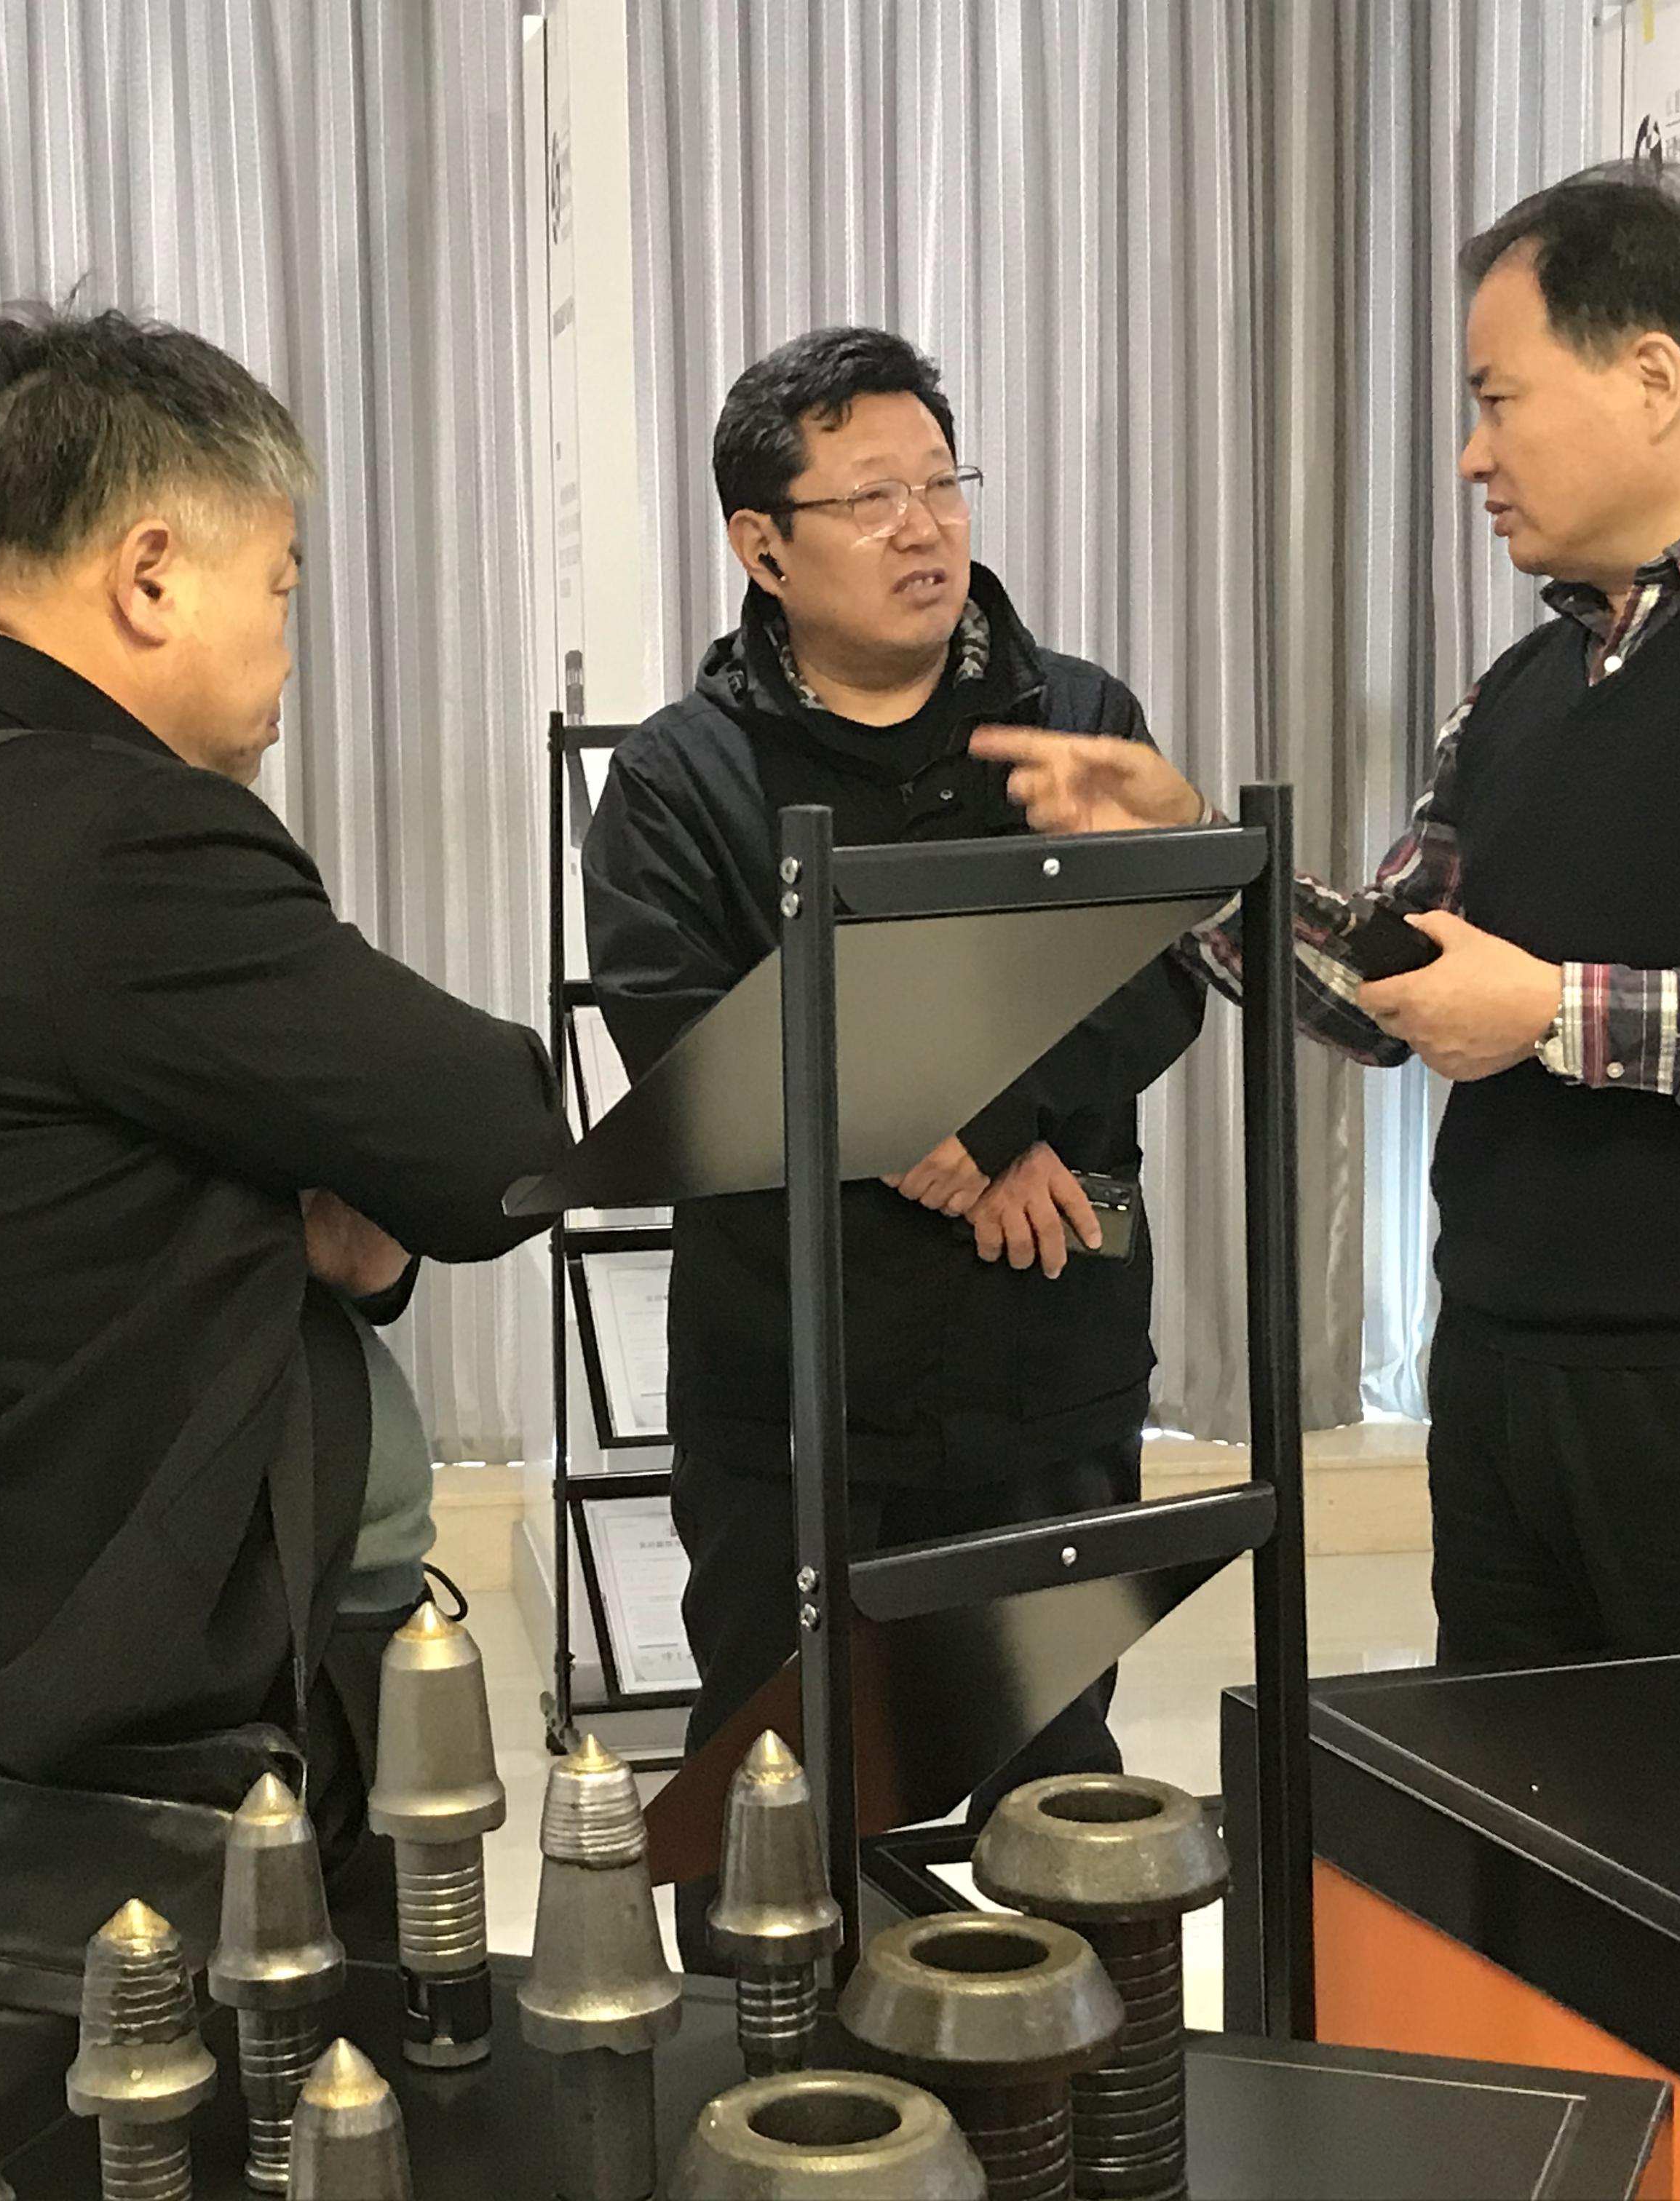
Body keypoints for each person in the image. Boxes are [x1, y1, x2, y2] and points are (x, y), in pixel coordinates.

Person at [977, 162, 1680, 1665]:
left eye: (1498, 399)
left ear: (1652, 377)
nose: (1474, 455)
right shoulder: (1527, 685)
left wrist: (1551, 1010)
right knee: (1506, 1803)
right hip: (1502, 1387)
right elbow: (1395, 982)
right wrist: (1195, 859)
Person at [0, 306, 565, 2063]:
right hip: (160, 1694)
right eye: (278, 588)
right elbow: (496, 1143)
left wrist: (303, 1205)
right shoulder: (119, 833)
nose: (286, 647)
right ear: (146, 575)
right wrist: (331, 1197)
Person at [581, 326, 1207, 1947]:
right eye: (870, 498)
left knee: (1057, 1806)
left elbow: (1160, 977)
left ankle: (1074, 2086)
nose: (924, 528)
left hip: (1046, 1342)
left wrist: (997, 1125)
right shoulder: (680, 779)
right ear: (762, 545)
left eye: (941, 483)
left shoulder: (1075, 719)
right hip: (799, 1381)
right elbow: (692, 1047)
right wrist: (964, 1136)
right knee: (775, 1820)